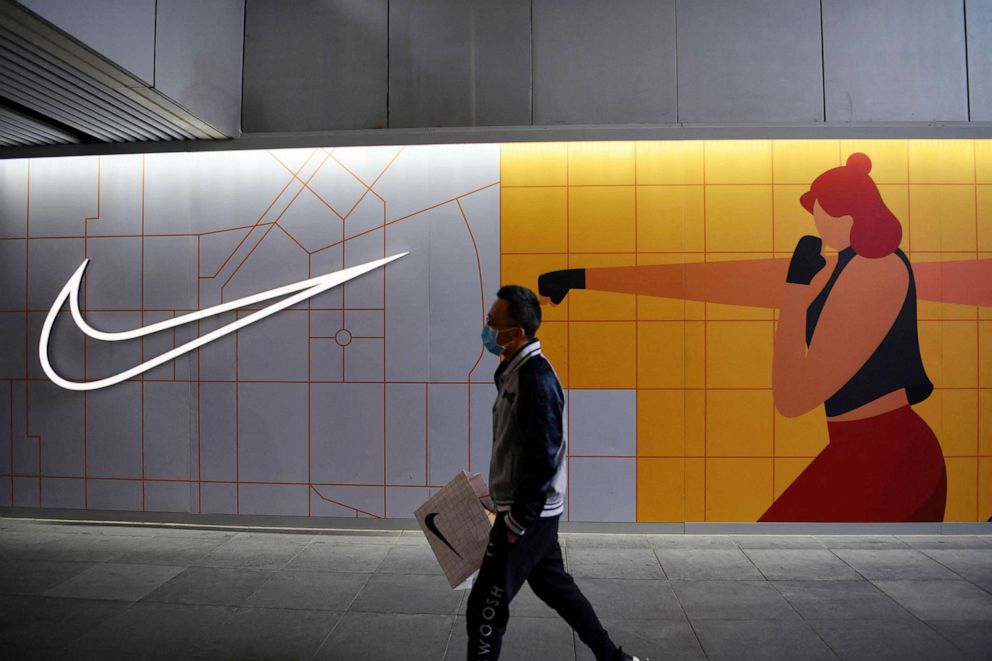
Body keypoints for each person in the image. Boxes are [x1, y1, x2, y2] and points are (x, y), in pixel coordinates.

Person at [762, 152, 945, 521]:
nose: (815, 222)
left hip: (891, 455)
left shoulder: (877, 270)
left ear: (843, 212)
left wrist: (795, 290)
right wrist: (798, 289)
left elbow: (793, 398)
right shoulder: (839, 267)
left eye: (818, 211)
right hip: (856, 447)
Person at [466, 284, 639, 661]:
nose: (487, 329)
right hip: (528, 510)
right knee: (556, 587)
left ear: (519, 333)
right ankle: (613, 657)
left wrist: (516, 522)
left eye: (494, 324)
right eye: (488, 320)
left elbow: (543, 458)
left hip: (527, 515)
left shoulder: (537, 380)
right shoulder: (512, 371)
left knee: (484, 608)